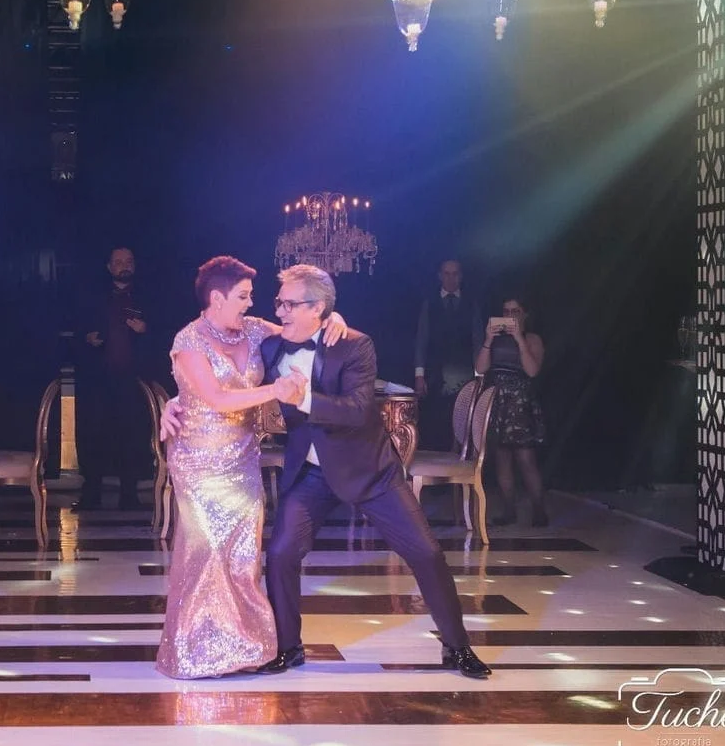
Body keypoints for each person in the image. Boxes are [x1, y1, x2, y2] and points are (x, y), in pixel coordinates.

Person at [163, 264, 492, 681]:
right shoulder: (270, 344)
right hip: (310, 473)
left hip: (369, 471)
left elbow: (356, 411)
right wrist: (176, 401)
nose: (278, 311)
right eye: (278, 302)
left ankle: (457, 647)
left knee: (426, 554)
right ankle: (288, 648)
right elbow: (210, 380)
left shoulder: (355, 345)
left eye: (288, 304)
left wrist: (302, 397)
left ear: (317, 308)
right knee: (281, 554)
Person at [75, 247, 152, 510]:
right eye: (118, 262)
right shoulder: (93, 297)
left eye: (128, 261)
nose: (124, 266)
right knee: (93, 435)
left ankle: (130, 495)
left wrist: (145, 329)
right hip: (98, 379)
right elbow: (76, 329)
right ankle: (91, 494)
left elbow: (166, 332)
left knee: (132, 435)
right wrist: (87, 338)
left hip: (133, 381)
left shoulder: (146, 297)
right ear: (109, 267)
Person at [476, 296, 547, 527]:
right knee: (502, 458)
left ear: (525, 314)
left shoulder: (532, 339)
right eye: (505, 311)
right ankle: (508, 510)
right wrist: (488, 339)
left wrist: (519, 339)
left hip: (520, 402)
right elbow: (480, 369)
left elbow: (533, 370)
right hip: (498, 400)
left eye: (515, 311)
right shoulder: (495, 339)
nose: (509, 316)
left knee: (526, 459)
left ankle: (539, 508)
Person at [414, 260, 484, 451]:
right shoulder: (429, 303)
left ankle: (458, 466)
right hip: (435, 375)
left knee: (462, 426)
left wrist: (479, 376)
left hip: (464, 375)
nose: (451, 278)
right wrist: (419, 375)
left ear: (461, 276)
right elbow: (422, 339)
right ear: (440, 276)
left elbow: (478, 341)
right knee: (436, 424)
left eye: (455, 274)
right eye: (446, 273)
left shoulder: (471, 303)